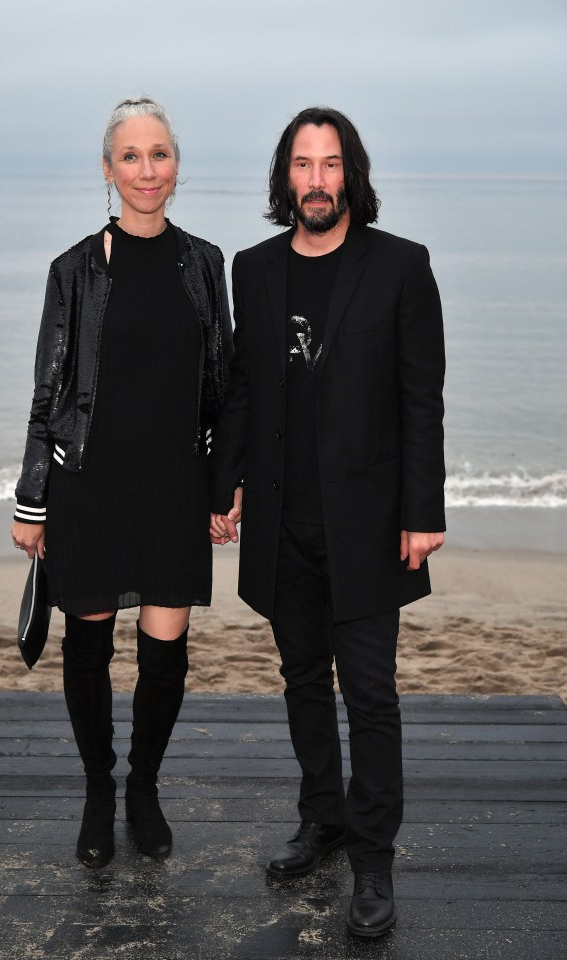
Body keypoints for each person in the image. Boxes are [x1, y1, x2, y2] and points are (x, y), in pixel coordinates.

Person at [209, 107, 445, 938]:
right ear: (285, 178)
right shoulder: (255, 268)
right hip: (282, 522)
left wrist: (424, 511)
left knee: (371, 695)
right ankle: (324, 821)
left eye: (330, 164)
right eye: (302, 166)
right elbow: (243, 387)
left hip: (372, 523)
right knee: (303, 682)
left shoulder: (401, 267)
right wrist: (224, 482)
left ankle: (373, 858)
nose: (316, 180)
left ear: (352, 175)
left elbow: (422, 399)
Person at [11, 96, 232, 869]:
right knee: (89, 646)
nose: (147, 170)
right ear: (108, 170)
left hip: (175, 485)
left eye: (160, 154)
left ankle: (145, 788)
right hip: (90, 485)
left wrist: (222, 485)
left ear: (176, 166)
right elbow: (49, 391)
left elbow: (222, 387)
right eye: (131, 156)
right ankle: (99, 792)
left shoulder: (205, 263)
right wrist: (31, 500)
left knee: (166, 652)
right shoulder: (72, 271)